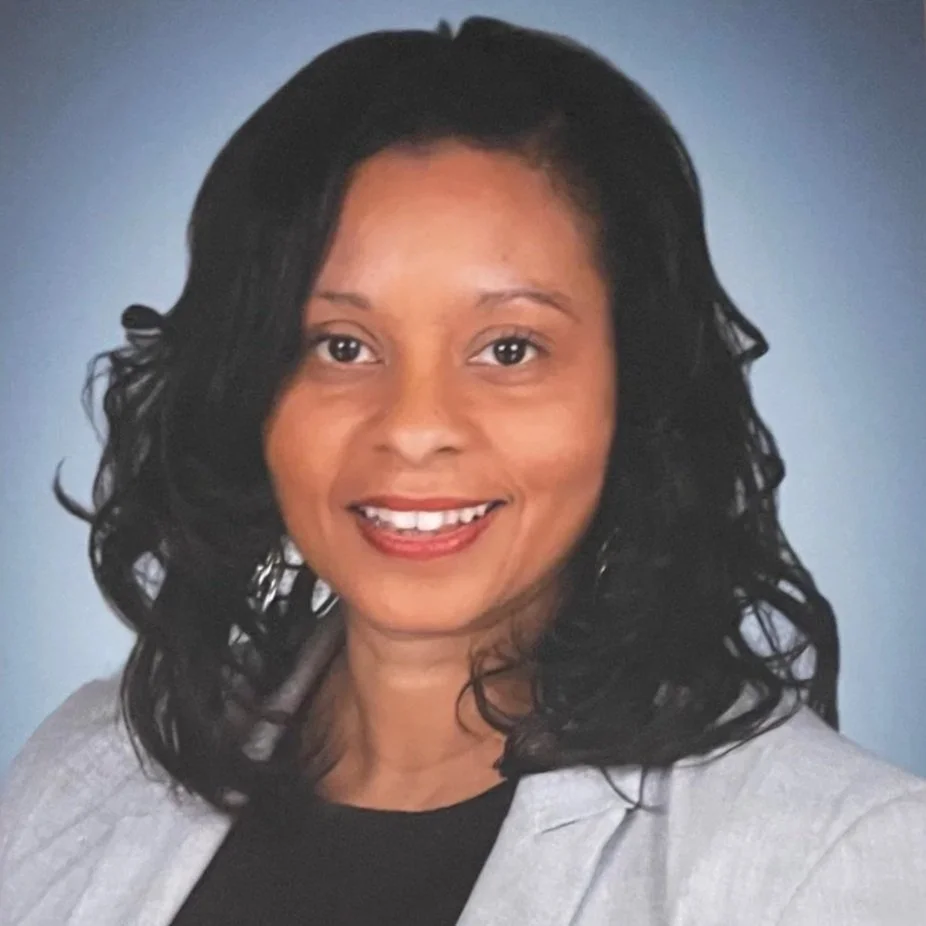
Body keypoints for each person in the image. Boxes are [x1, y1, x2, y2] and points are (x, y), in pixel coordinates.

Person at [1, 14, 924, 926]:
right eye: (343, 346)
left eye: (510, 350)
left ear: (632, 390)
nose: (413, 429)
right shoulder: (83, 767)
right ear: (251, 388)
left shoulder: (831, 855)